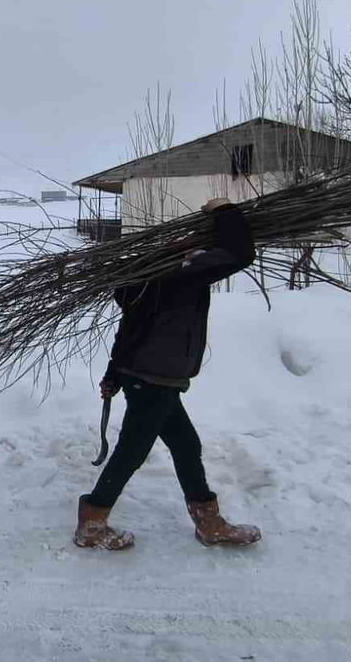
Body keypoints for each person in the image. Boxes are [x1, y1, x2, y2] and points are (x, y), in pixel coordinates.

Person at [75, 197, 262, 550]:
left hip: (148, 376)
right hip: (153, 379)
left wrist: (114, 373)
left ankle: (208, 522)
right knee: (132, 452)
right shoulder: (181, 274)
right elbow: (240, 253)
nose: (192, 247)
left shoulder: (147, 277)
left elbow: (129, 330)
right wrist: (225, 212)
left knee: (186, 445)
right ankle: (93, 520)